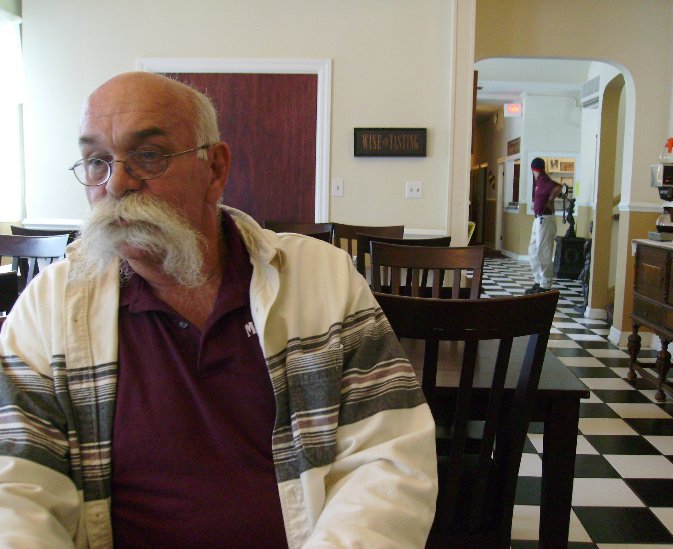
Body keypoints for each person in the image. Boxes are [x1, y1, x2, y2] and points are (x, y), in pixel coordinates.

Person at [0, 72, 437, 548]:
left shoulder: (321, 280)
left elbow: (386, 458)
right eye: (96, 161)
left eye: (148, 155)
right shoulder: (49, 309)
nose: (117, 183)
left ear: (215, 169)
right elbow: (14, 490)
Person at [525, 157, 563, 294]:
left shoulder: (544, 179)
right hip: (539, 219)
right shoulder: (540, 180)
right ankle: (538, 280)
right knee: (533, 251)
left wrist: (551, 199)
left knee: (543, 251)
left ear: (532, 169)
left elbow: (559, 187)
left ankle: (545, 284)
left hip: (545, 219)